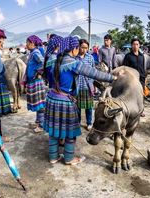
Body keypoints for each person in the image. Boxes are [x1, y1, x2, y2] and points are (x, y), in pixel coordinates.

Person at [43, 36, 118, 165]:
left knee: (53, 130)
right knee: (70, 132)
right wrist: (113, 78)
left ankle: (53, 157)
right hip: (65, 101)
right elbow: (94, 73)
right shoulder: (73, 63)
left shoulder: (53, 59)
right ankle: (68, 158)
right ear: (74, 49)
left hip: (51, 98)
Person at [25, 35, 46, 133]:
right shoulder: (32, 53)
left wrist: (38, 73)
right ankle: (38, 122)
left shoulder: (36, 53)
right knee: (38, 103)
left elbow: (43, 63)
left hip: (36, 82)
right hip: (33, 82)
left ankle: (41, 125)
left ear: (32, 43)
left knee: (40, 104)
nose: (26, 45)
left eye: (27, 43)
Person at [123, 38, 146, 116]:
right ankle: (130, 109)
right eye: (134, 44)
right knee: (131, 94)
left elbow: (143, 67)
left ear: (139, 45)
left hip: (141, 78)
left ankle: (141, 110)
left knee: (141, 94)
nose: (135, 46)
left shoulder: (142, 56)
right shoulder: (128, 56)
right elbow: (125, 67)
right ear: (131, 46)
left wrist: (144, 77)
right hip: (132, 78)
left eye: (137, 44)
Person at [76, 39, 95, 130]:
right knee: (77, 107)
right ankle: (77, 122)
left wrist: (92, 83)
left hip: (88, 86)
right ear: (79, 47)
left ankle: (89, 123)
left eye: (86, 48)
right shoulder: (75, 57)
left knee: (89, 107)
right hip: (77, 86)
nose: (84, 50)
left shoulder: (90, 58)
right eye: (82, 47)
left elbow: (93, 71)